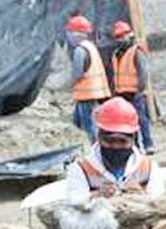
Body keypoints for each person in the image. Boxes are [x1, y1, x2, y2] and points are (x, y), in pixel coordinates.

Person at [66, 97, 155, 203]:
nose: (116, 147)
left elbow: (160, 199)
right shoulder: (82, 169)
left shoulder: (147, 167)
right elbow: (75, 201)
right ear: (99, 137)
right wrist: (95, 196)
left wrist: (142, 194)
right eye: (110, 141)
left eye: (122, 141)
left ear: (133, 139)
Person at [110, 20, 155, 154]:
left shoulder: (136, 51)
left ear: (129, 35)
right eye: (118, 37)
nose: (120, 39)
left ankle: (148, 144)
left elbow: (143, 72)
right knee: (127, 122)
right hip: (122, 93)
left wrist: (139, 89)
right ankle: (134, 146)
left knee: (141, 119)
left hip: (135, 92)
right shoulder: (117, 54)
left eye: (122, 36)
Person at [65, 15, 112, 143]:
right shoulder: (91, 47)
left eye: (70, 32)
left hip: (86, 94)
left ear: (78, 34)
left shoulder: (80, 50)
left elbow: (77, 74)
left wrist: (70, 84)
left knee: (88, 126)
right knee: (78, 122)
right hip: (94, 93)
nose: (68, 36)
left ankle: (95, 148)